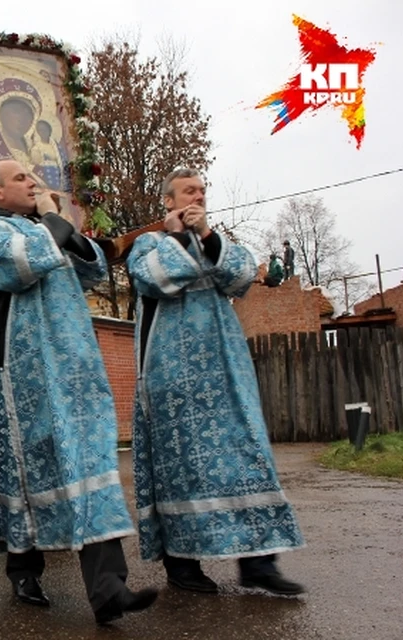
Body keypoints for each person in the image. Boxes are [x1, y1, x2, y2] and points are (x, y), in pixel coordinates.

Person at [0, 159, 157, 626]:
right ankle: (24, 568)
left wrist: (66, 228)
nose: (32, 182)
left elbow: (91, 269)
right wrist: (54, 221)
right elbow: (20, 265)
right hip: (24, 374)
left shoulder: (46, 228)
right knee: (26, 467)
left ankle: (109, 589)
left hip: (75, 367)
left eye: (34, 176)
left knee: (90, 463)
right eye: (20, 178)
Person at [127, 167, 306, 597]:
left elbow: (243, 274)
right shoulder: (148, 244)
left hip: (227, 373)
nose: (198, 197)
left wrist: (205, 236)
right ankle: (182, 565)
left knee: (249, 457)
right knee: (181, 470)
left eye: (203, 191)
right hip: (173, 379)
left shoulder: (213, 239)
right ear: (168, 201)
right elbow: (155, 278)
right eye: (189, 191)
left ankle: (259, 563)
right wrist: (178, 238)